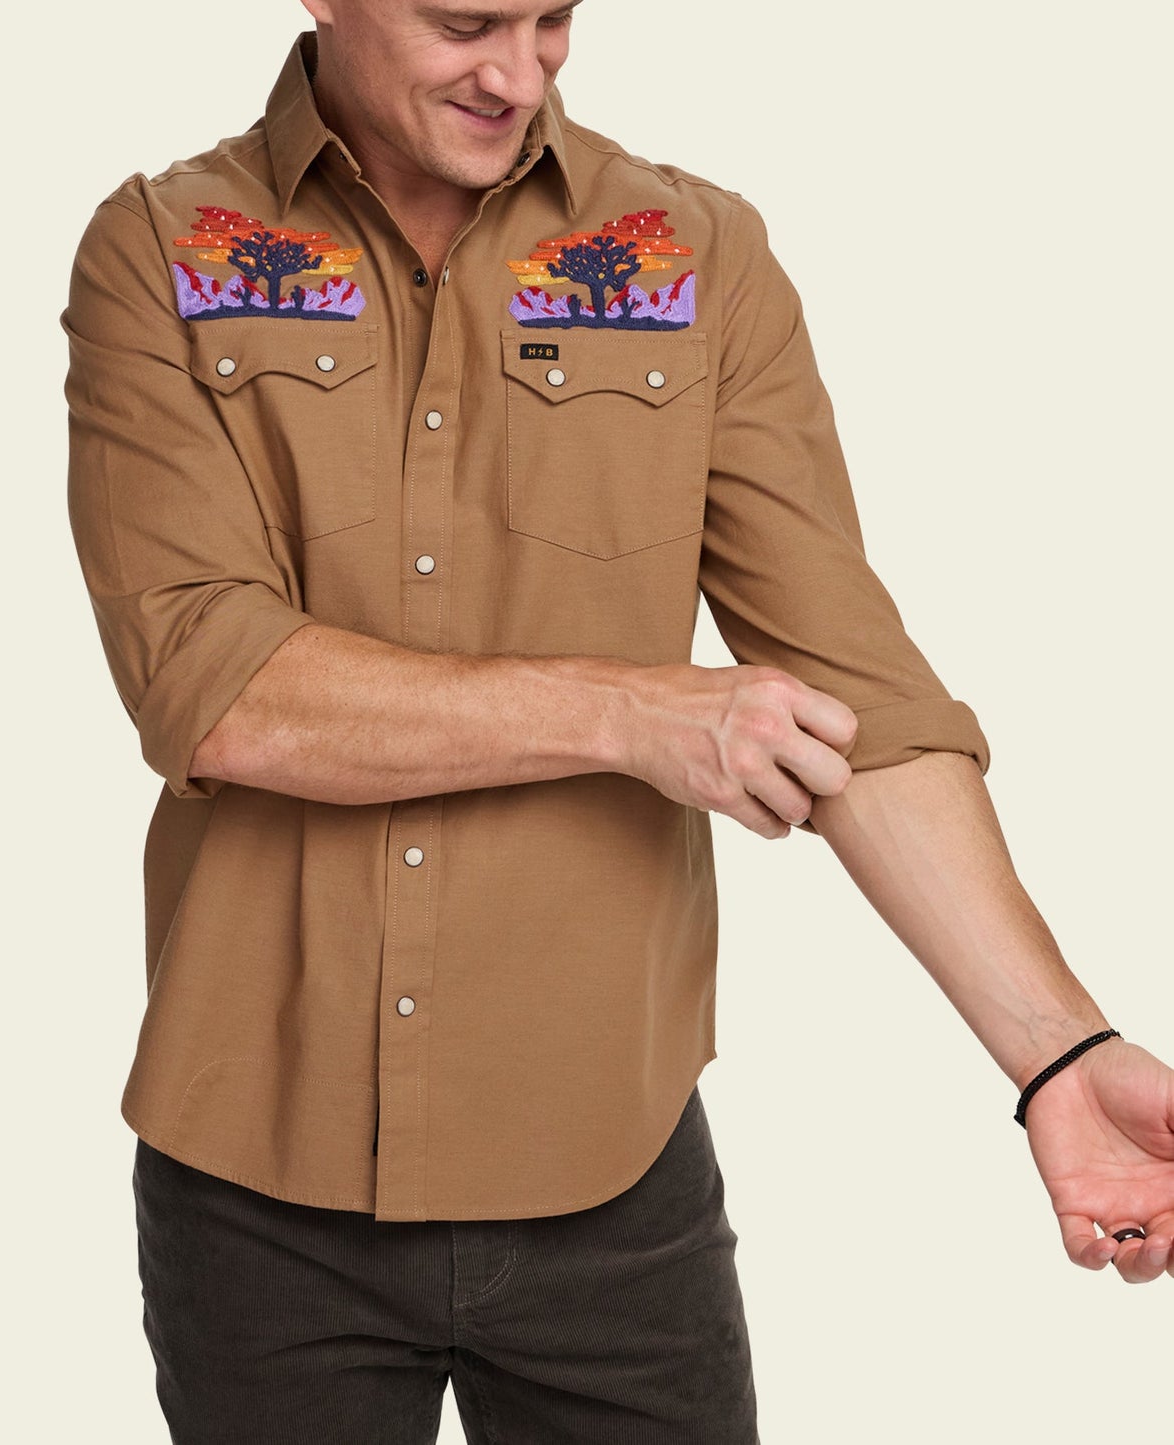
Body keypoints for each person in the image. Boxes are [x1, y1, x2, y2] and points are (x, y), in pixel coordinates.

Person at [62, 2, 1174, 1439]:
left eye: (554, 18)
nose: (518, 73)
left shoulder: (691, 258)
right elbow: (211, 683)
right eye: (466, 21)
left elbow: (862, 702)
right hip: (256, 1180)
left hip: (609, 1172)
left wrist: (1057, 1056)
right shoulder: (165, 247)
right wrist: (630, 710)